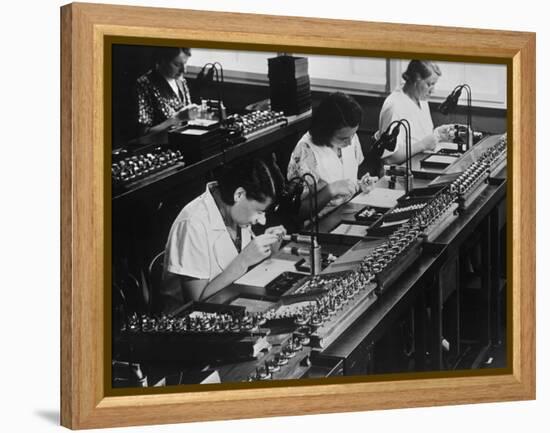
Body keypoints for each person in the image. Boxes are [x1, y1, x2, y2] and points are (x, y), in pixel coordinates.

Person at [161, 158, 287, 311]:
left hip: (231, 303)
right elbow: (196, 303)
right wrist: (243, 261)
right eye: (259, 211)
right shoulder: (193, 223)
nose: (262, 221)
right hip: (192, 323)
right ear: (239, 195)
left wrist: (268, 251)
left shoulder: (234, 213)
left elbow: (242, 271)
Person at [287, 92, 375, 219]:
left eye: (353, 135)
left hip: (348, 211)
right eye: (343, 138)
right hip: (321, 223)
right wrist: (330, 190)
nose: (350, 142)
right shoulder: (306, 150)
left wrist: (360, 185)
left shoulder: (350, 137)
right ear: (325, 130)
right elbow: (298, 211)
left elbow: (346, 180)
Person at [378, 60, 456, 164]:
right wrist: (422, 145)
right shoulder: (394, 106)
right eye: (430, 84)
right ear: (416, 80)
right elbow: (389, 158)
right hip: (402, 173)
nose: (433, 91)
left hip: (421, 163)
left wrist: (437, 134)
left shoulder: (421, 99)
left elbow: (418, 138)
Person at [135, 46, 199, 137]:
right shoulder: (144, 84)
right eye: (177, 64)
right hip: (159, 146)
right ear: (162, 60)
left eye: (185, 63)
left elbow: (188, 121)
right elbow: (143, 135)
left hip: (183, 141)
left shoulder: (181, 81)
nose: (184, 70)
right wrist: (177, 118)